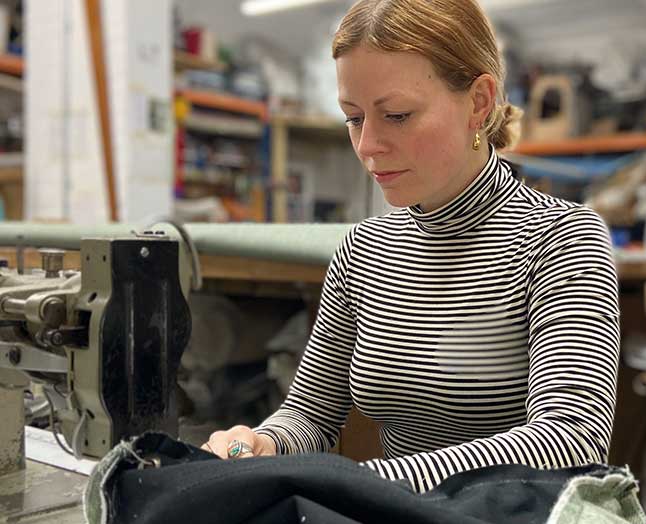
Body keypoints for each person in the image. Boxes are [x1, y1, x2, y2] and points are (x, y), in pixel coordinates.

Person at [203, 0, 620, 494]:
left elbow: (571, 441)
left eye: (397, 116)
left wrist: (360, 480)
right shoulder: (362, 249)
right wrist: (262, 445)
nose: (368, 146)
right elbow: (309, 416)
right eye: (353, 119)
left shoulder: (560, 238)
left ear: (479, 102)